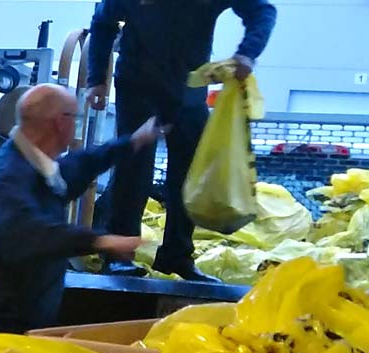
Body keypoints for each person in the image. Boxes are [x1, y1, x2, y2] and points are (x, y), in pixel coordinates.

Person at [88, 0, 275, 279]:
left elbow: (262, 10)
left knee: (189, 171)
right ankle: (118, 255)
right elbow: (103, 22)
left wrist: (247, 54)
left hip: (188, 85)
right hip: (137, 82)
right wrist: (96, 78)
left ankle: (177, 256)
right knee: (133, 168)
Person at [0, 85, 157, 334]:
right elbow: (23, 233)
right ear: (61, 123)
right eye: (76, 118)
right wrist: (100, 241)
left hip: (17, 320)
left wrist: (131, 143)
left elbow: (78, 166)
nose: (76, 126)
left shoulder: (34, 166)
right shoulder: (7, 176)